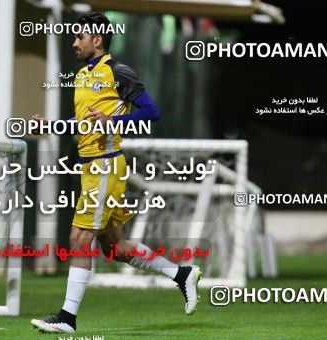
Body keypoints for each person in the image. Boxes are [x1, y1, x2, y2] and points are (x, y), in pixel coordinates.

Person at [30, 12, 202, 334]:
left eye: (79, 36)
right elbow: (84, 125)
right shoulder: (82, 76)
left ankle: (67, 318)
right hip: (90, 166)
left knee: (79, 237)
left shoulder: (117, 72)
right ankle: (182, 274)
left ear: (97, 39)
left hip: (106, 164)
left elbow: (151, 112)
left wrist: (114, 121)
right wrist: (49, 127)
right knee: (115, 249)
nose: (74, 41)